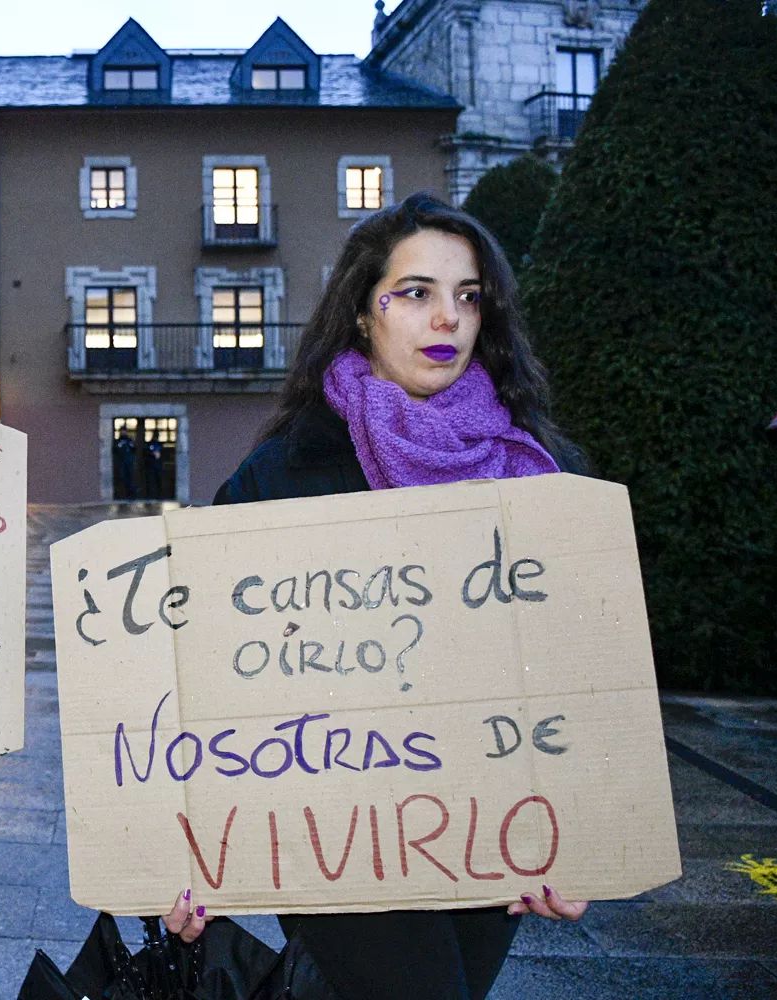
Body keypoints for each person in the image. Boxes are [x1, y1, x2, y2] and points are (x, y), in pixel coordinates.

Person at [164, 192, 588, 1000]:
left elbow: (574, 671)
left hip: (485, 824)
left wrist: (579, 835)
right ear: (363, 314)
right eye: (417, 292)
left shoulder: (533, 467)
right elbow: (196, 666)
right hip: (331, 824)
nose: (448, 319)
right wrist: (186, 844)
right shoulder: (285, 473)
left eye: (469, 297)